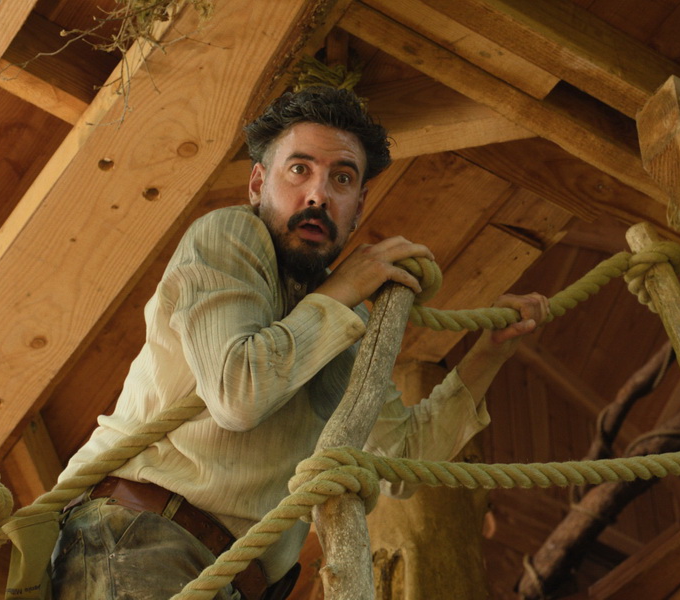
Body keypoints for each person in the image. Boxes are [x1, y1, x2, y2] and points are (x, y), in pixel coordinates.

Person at [49, 85, 549, 600]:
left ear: (358, 207)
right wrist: (345, 290)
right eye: (299, 169)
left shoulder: (343, 318)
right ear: (257, 183)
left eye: (342, 179)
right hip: (138, 537)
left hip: (234, 579)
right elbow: (238, 395)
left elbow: (400, 461)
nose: (318, 195)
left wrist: (491, 352)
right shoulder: (228, 237)